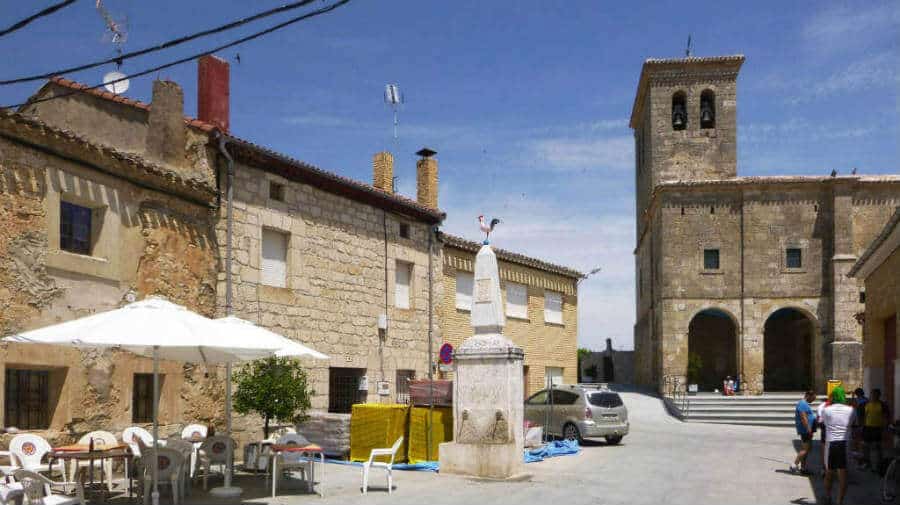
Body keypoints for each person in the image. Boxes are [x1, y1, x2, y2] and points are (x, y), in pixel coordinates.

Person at [822, 386, 855, 505]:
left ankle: (828, 496)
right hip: (845, 443)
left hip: (831, 443)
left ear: (833, 397)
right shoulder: (851, 410)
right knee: (843, 475)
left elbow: (825, 424)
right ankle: (839, 501)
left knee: (829, 473)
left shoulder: (826, 410)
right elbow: (852, 424)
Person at [862, 388, 890, 471]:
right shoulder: (866, 404)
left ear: (878, 396)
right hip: (867, 428)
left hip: (878, 428)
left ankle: (879, 465)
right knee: (865, 446)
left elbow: (886, 417)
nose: (873, 396)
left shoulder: (882, 405)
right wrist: (862, 427)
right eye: (872, 394)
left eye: (875, 395)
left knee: (877, 447)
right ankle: (867, 463)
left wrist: (885, 429)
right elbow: (864, 416)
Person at [791, 390, 818, 474]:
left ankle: (803, 468)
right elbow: (803, 417)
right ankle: (794, 465)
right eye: (813, 398)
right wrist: (808, 429)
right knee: (806, 449)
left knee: (807, 449)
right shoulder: (803, 404)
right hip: (805, 430)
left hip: (807, 430)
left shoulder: (804, 404)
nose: (813, 401)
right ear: (808, 396)